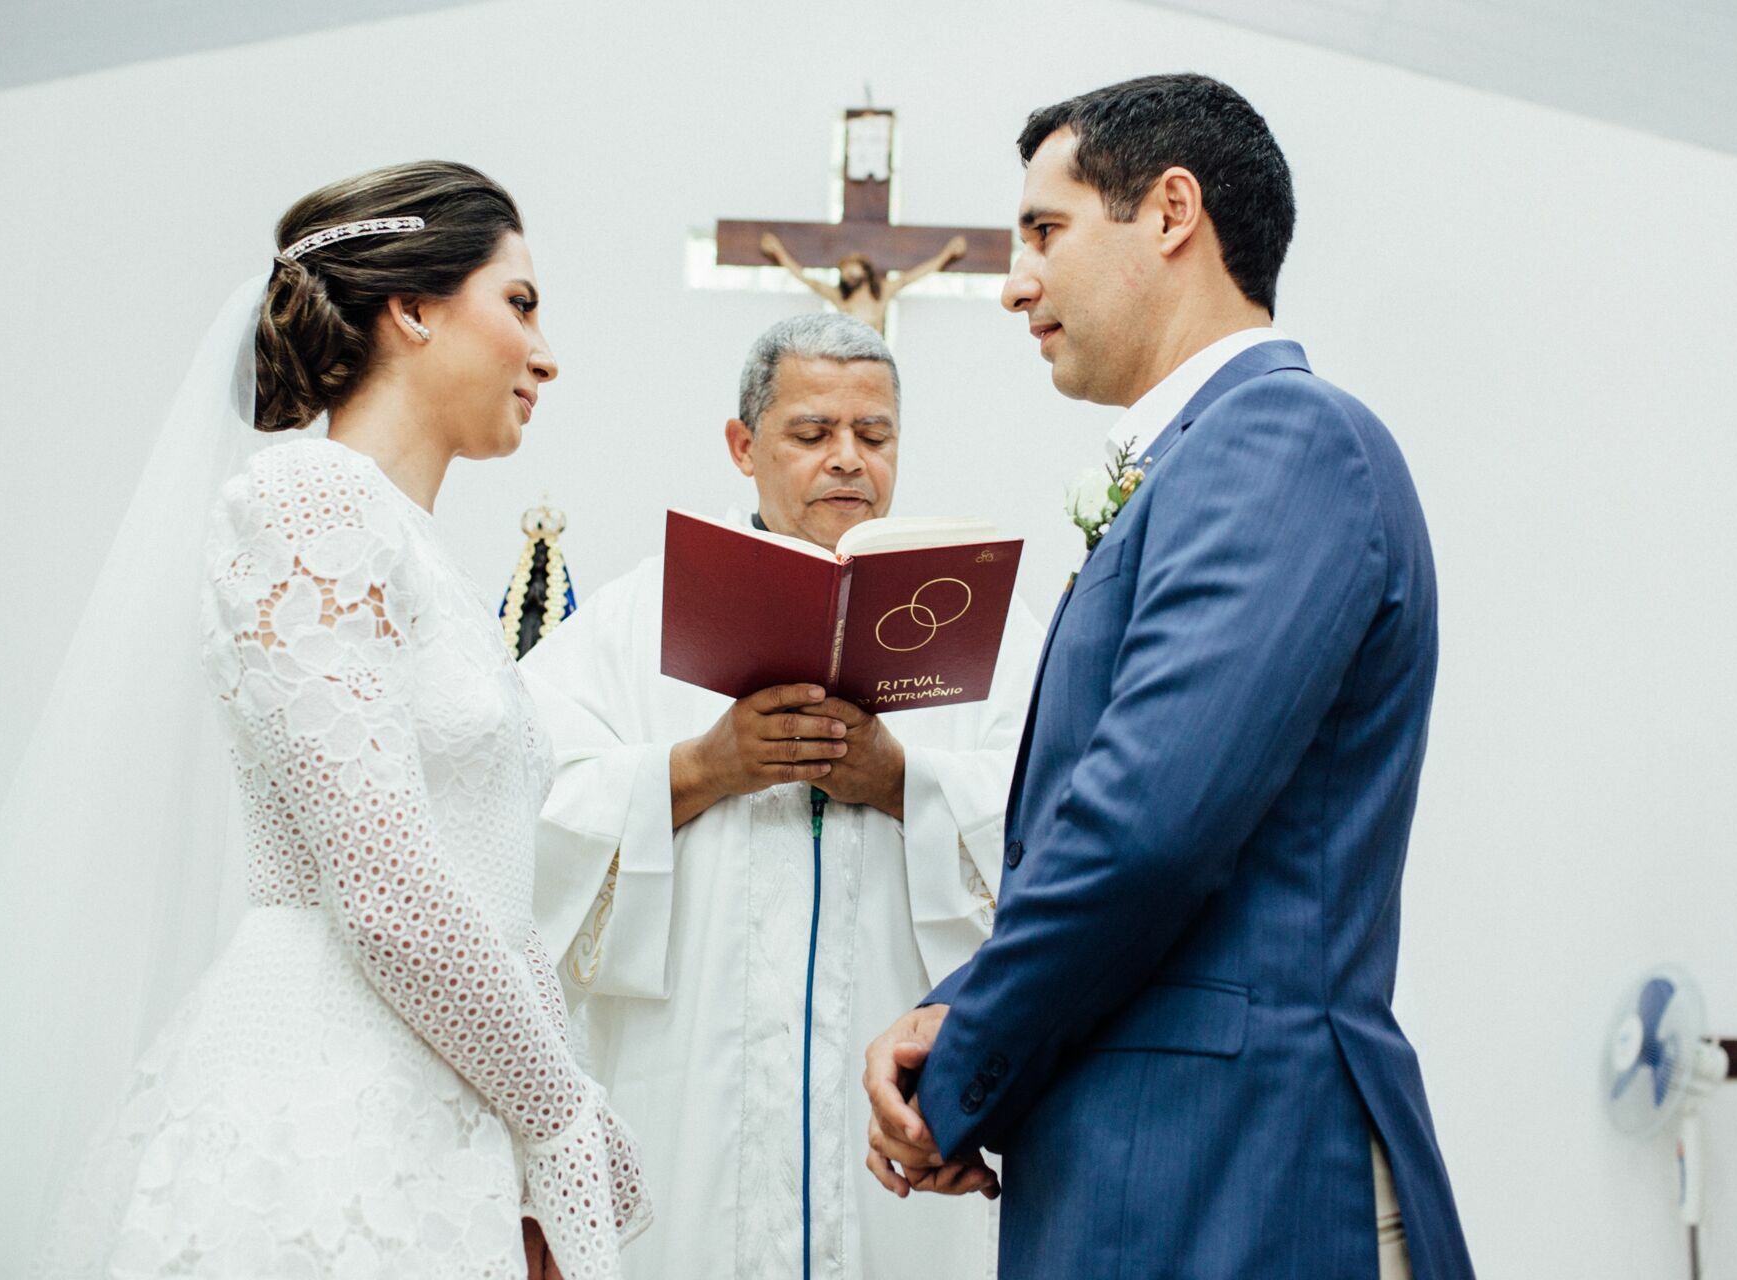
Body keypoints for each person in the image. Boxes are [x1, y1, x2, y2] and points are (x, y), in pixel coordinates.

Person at [0, 161, 647, 1280]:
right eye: (519, 303)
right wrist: (563, 1110)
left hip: (451, 1100)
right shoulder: (309, 500)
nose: (546, 351)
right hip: (329, 1111)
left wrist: (540, 1127)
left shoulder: (421, 550)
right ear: (417, 309)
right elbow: (384, 886)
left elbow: (490, 885)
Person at [862, 75, 1477, 1280]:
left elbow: (1147, 825)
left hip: (1242, 1173)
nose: (1015, 282)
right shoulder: (1205, 463)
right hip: (1155, 1169)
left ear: (1170, 211)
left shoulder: (1281, 439)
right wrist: (960, 1008)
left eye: (1045, 231)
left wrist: (971, 1056)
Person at [519, 313, 1042, 1280]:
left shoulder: (984, 642)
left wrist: (903, 784)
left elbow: (1055, 829)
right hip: (691, 1113)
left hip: (900, 1139)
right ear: (743, 446)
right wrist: (701, 768)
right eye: (811, 434)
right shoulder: (638, 619)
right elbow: (524, 812)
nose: (847, 461)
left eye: (874, 437)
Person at [761, 233, 967, 333]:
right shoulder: (840, 297)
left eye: (851, 267)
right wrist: (778, 252)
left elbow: (914, 276)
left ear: (864, 270)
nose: (847, 273)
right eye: (842, 271)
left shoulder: (883, 291)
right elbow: (808, 280)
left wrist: (947, 254)